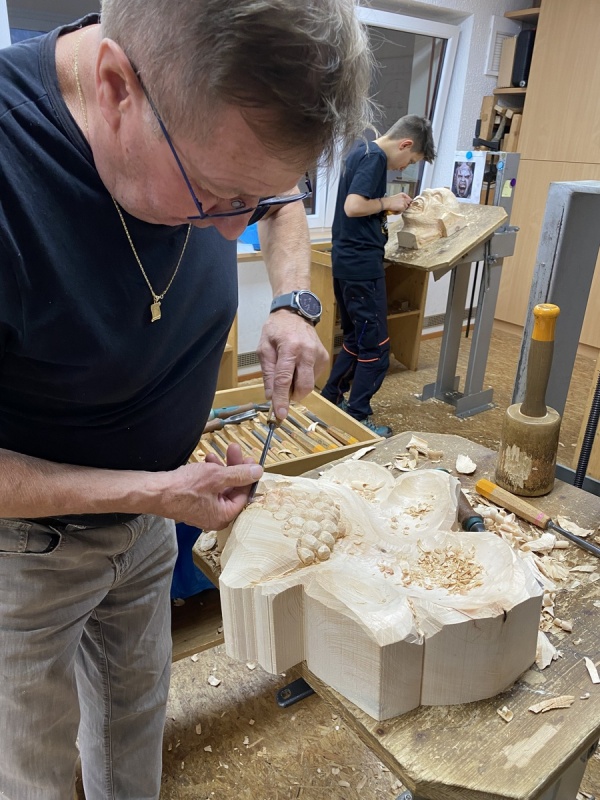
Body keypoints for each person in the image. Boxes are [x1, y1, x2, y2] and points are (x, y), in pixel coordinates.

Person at [0, 1, 374, 798]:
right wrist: (151, 490)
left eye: (251, 198)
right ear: (115, 87)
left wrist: (293, 301)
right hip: (24, 549)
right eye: (215, 192)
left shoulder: (213, 116)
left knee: (133, 730)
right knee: (29, 772)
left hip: (154, 520)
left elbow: (278, 197)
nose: (230, 230)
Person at [321, 115, 436, 437]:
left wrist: (385, 208)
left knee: (355, 339)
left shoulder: (361, 150)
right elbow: (353, 206)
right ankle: (357, 417)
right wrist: (388, 201)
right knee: (377, 349)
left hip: (347, 262)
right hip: (361, 266)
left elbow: (359, 209)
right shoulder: (375, 158)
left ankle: (331, 399)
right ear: (405, 144)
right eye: (409, 161)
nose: (403, 168)